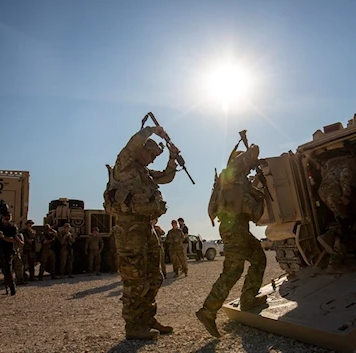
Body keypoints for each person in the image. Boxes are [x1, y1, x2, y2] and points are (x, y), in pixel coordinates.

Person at [103, 123, 179, 340]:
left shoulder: (143, 172)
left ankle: (147, 318)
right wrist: (154, 130)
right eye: (152, 153)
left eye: (156, 155)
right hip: (129, 229)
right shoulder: (124, 164)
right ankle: (133, 326)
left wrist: (172, 158)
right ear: (141, 149)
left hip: (146, 227)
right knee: (134, 278)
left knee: (155, 276)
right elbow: (132, 143)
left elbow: (166, 177)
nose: (154, 158)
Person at [196, 143, 267, 338]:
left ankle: (248, 298)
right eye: (247, 163)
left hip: (235, 229)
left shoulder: (231, 180)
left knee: (259, 258)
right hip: (235, 229)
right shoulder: (233, 178)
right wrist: (253, 152)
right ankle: (208, 311)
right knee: (232, 271)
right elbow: (252, 211)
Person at [315, 154, 356, 273]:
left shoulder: (344, 161)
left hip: (326, 191)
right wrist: (346, 195)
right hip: (334, 191)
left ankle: (329, 236)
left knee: (342, 220)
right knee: (345, 225)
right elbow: (346, 174)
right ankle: (334, 264)